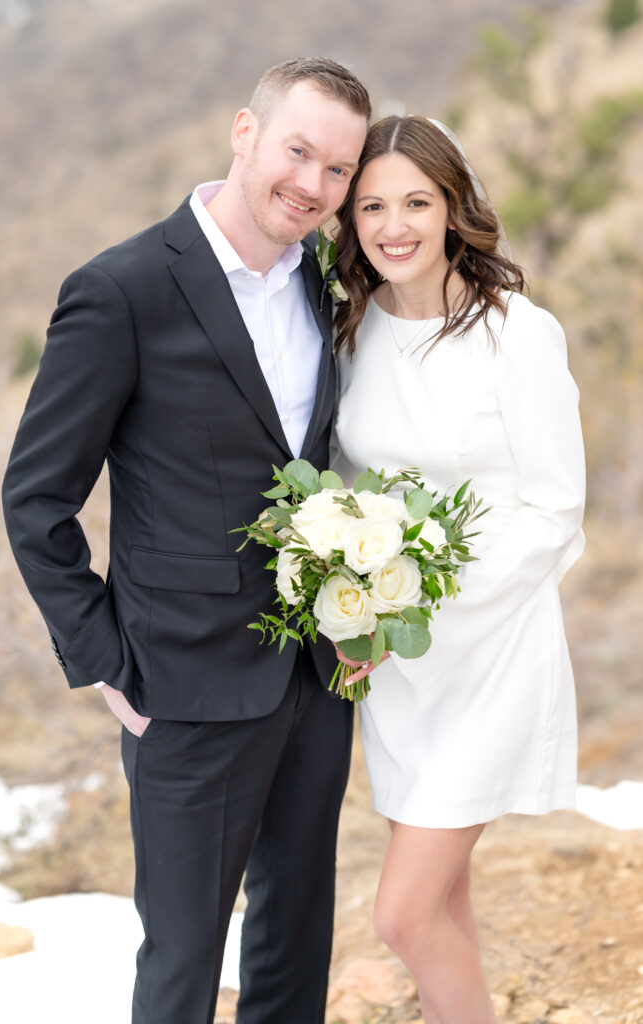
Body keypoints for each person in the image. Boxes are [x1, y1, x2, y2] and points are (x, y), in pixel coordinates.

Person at [1, 58, 370, 1024]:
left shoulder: (323, 286)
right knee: (182, 966)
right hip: (183, 691)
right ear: (244, 131)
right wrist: (107, 661)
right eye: (298, 151)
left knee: (295, 944)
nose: (313, 186)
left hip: (312, 678)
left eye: (337, 171)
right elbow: (37, 498)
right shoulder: (122, 290)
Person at [331, 115, 586, 1024]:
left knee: (399, 916)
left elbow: (555, 513)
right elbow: (347, 494)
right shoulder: (351, 335)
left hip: (487, 651)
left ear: (451, 209)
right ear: (349, 218)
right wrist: (358, 613)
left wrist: (418, 621)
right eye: (371, 205)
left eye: (414, 202)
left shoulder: (516, 334)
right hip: (395, 672)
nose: (392, 225)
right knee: (442, 902)